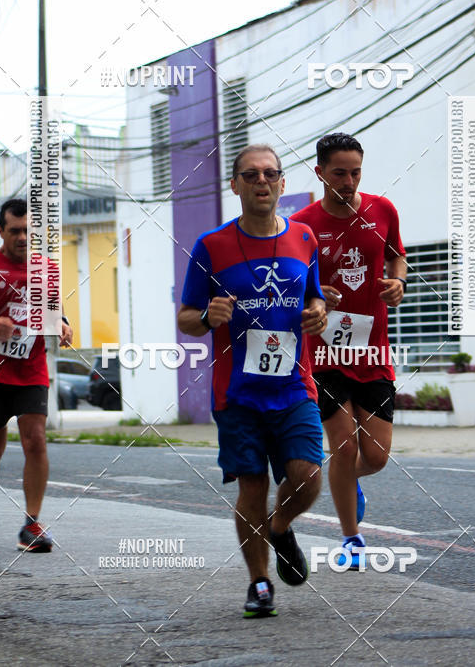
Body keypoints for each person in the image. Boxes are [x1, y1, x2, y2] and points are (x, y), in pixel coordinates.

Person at [178, 144, 328, 618]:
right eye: (250, 175)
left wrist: (319, 312)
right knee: (251, 487)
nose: (261, 182)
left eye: (269, 174)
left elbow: (315, 299)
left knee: (308, 475)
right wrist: (207, 315)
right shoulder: (212, 246)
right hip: (237, 393)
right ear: (236, 185)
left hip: (293, 386)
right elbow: (186, 317)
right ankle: (260, 583)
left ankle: (280, 527)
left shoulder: (304, 239)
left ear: (282, 183)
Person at [291, 133, 407, 570]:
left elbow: (398, 257)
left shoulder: (383, 210)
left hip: (373, 348)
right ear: (320, 172)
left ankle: (343, 481)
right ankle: (351, 539)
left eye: (355, 172)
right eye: (339, 172)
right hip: (322, 351)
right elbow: (289, 285)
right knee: (342, 446)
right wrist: (316, 295)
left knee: (374, 456)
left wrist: (399, 282)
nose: (349, 181)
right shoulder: (301, 225)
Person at [0, 198, 73, 552]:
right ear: (1, 231)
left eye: (29, 231)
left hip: (31, 367)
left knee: (35, 439)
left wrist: (63, 325)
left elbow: (55, 307)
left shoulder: (46, 269)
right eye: (16, 231)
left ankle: (31, 523)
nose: (23, 237)